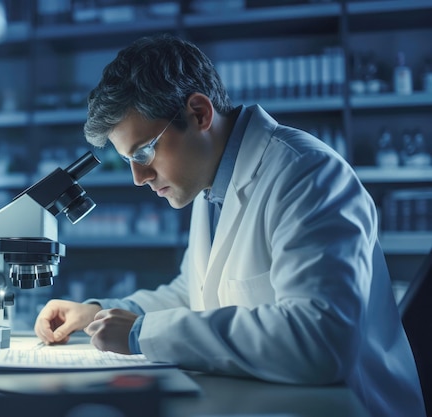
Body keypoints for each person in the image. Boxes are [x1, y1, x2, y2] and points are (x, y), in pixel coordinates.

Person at [34, 34, 425, 417]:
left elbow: (319, 340)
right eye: (128, 160)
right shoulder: (210, 184)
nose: (139, 177)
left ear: (199, 113)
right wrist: (102, 313)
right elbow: (195, 293)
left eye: (144, 151)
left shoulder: (307, 175)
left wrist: (140, 334)